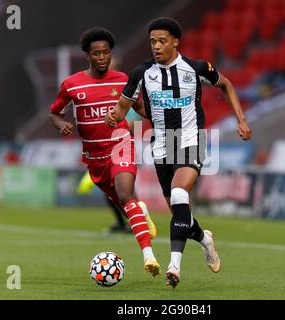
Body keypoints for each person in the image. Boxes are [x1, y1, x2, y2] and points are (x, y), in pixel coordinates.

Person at [105, 17, 252, 288]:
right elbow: (122, 108)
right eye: (152, 42)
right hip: (160, 144)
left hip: (191, 139)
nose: (156, 46)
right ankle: (205, 239)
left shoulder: (195, 68)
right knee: (180, 213)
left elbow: (227, 85)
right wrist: (113, 116)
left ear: (175, 42)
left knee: (180, 193)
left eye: (162, 41)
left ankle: (174, 266)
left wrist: (241, 120)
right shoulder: (142, 72)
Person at [49, 27, 160, 277]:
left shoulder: (123, 80)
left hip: (121, 145)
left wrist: (162, 121)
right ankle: (139, 211)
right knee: (126, 205)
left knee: (124, 195)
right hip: (94, 158)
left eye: (106, 52)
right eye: (96, 53)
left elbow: (142, 107)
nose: (102, 57)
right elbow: (54, 113)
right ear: (87, 56)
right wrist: (62, 123)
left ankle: (149, 256)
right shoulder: (72, 84)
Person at [76, 171, 157, 237]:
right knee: (110, 193)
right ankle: (122, 223)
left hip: (120, 161)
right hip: (107, 162)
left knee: (125, 192)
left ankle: (139, 218)